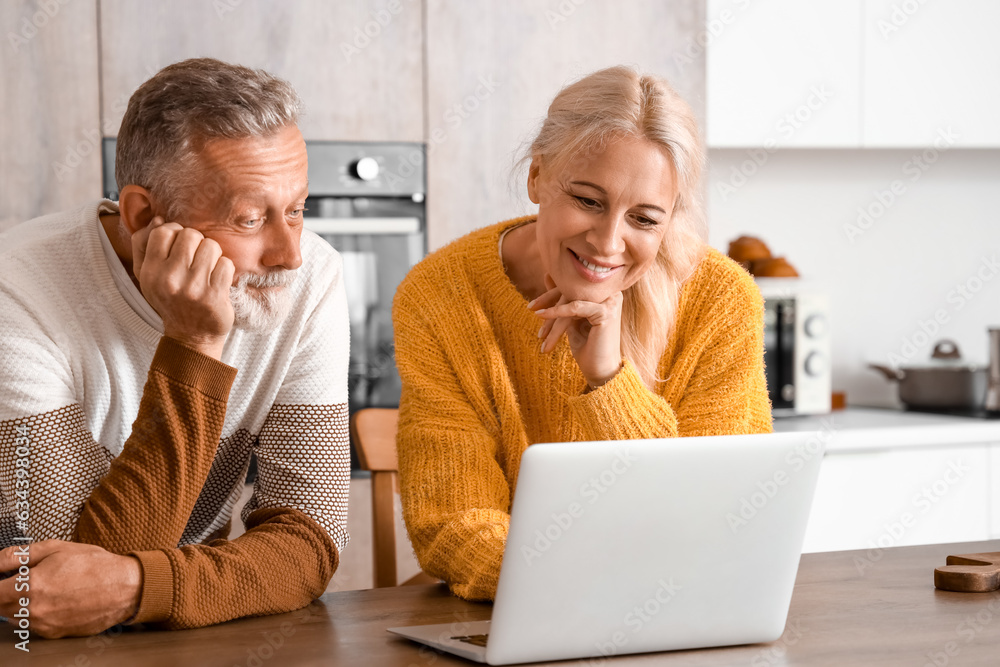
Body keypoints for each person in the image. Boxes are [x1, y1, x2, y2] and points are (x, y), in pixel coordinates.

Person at [392, 66, 772, 601]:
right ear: (536, 176)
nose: (608, 243)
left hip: (681, 614)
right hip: (530, 607)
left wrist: (607, 379)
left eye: (643, 219)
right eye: (589, 201)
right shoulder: (441, 295)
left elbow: (715, 515)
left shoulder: (721, 298)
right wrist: (578, 585)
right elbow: (455, 520)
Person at [0, 58, 350, 638]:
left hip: (178, 626)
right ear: (143, 214)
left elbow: (310, 544)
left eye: (296, 209)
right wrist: (194, 343)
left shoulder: (312, 278)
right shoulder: (18, 290)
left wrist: (143, 587)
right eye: (250, 218)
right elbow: (65, 587)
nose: (290, 254)